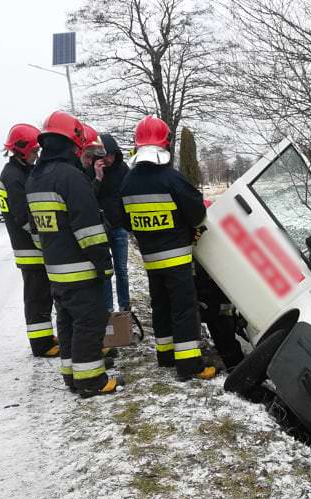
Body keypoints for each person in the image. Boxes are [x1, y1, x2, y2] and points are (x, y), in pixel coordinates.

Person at [26, 110, 121, 398]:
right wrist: (104, 264)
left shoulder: (35, 178)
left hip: (55, 269)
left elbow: (35, 230)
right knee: (89, 322)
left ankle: (71, 374)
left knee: (67, 322)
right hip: (81, 269)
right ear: (74, 142)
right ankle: (91, 380)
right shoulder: (71, 177)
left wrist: (53, 255)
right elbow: (89, 229)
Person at [118, 115, 215, 381]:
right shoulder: (171, 179)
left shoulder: (127, 183)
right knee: (183, 308)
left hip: (150, 258)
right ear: (165, 144)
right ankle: (189, 366)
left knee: (160, 305)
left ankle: (165, 355)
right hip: (176, 258)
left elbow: (125, 221)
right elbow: (196, 214)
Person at [0, 123, 59, 358]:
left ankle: (44, 337)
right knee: (37, 297)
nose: (37, 155)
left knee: (42, 296)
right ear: (21, 149)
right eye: (34, 151)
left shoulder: (19, 171)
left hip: (30, 247)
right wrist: (41, 241)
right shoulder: (13, 176)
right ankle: (41, 345)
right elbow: (23, 216)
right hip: (29, 249)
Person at [93, 133, 132, 313]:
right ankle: (107, 309)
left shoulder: (123, 169)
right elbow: (88, 197)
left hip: (119, 228)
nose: (108, 159)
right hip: (100, 229)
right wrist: (98, 177)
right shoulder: (92, 171)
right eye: (105, 155)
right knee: (105, 272)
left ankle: (124, 307)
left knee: (121, 270)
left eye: (111, 155)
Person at [195, 264, 244, 371]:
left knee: (224, 333)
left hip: (218, 299)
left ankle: (235, 366)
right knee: (223, 331)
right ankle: (234, 366)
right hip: (210, 297)